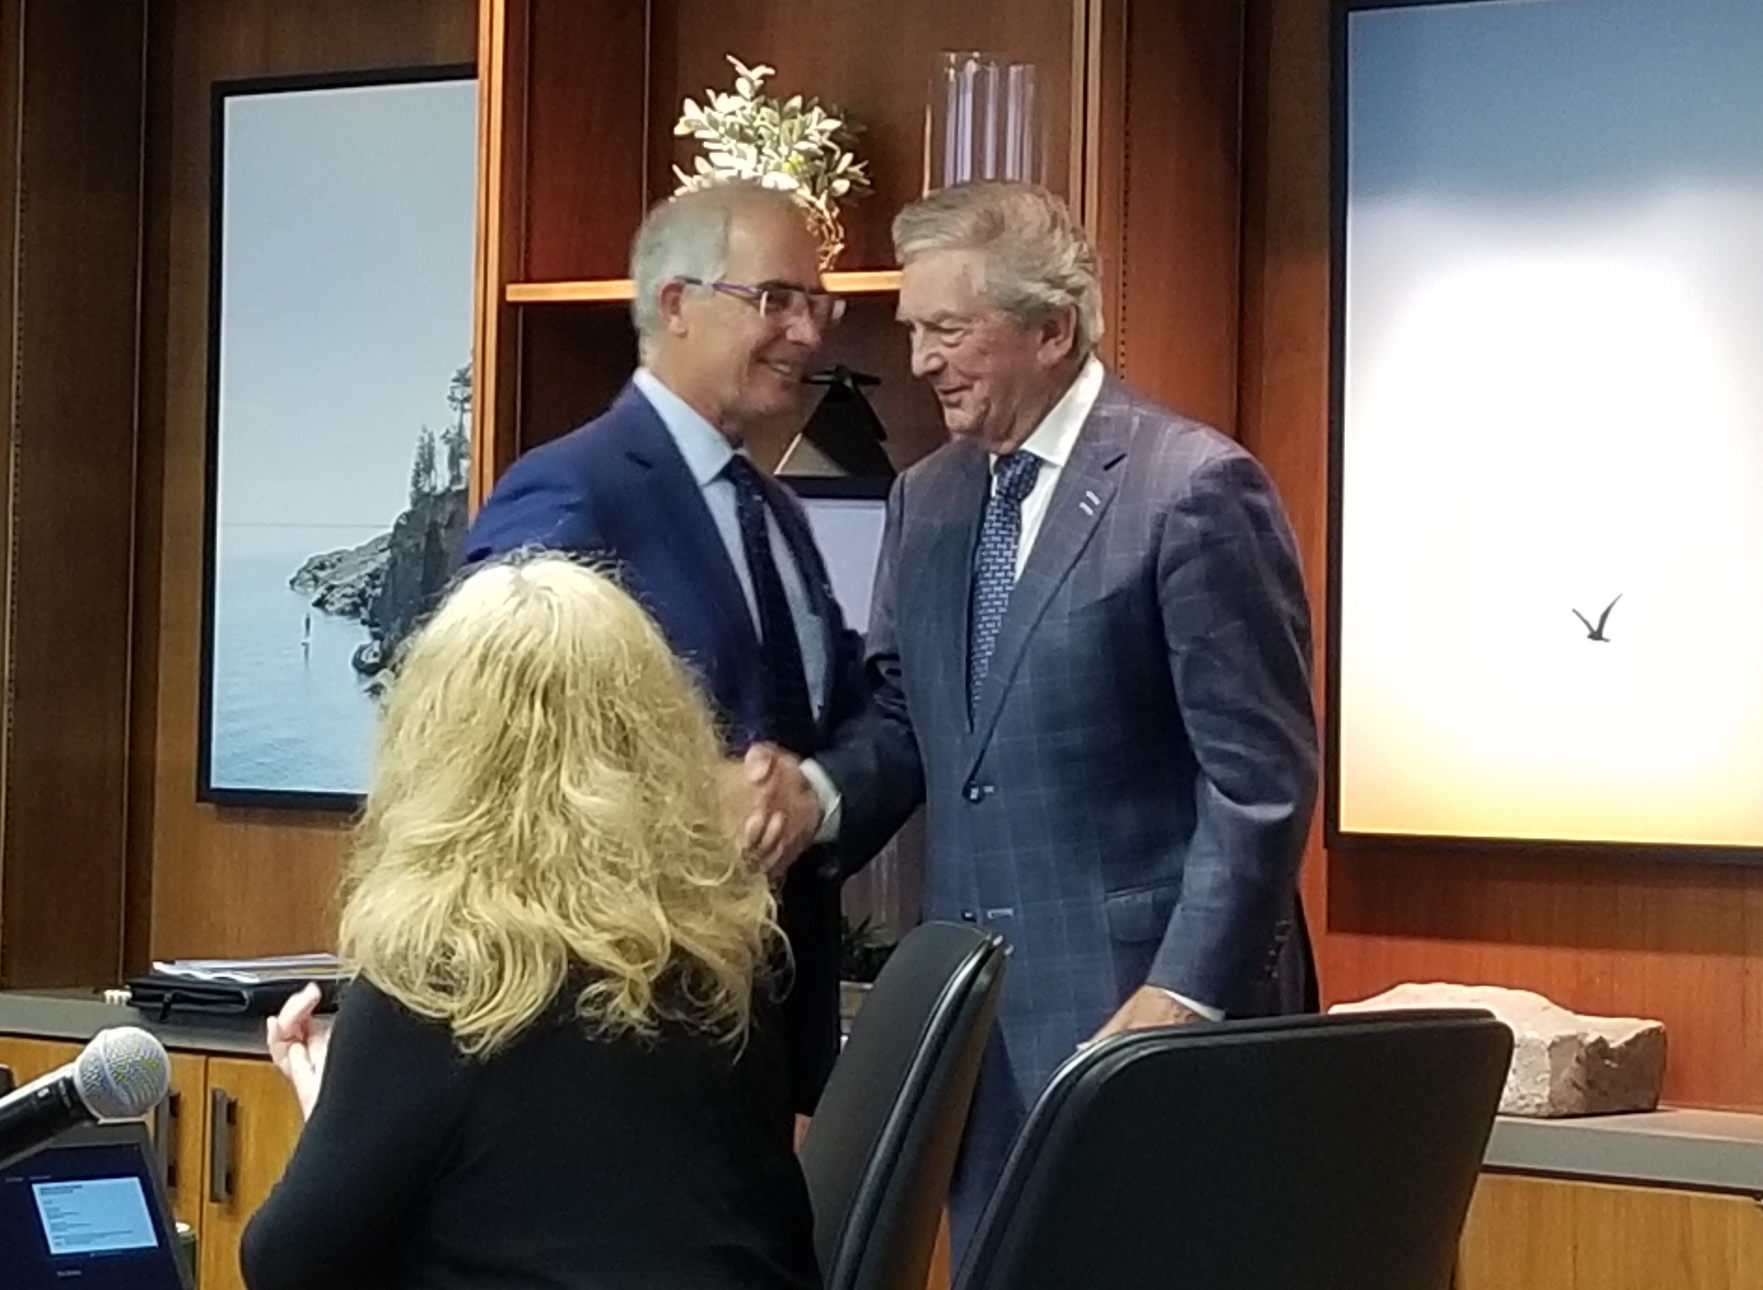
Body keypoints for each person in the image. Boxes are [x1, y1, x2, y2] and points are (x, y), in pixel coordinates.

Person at [760, 181, 1320, 1260]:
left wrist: (1180, 998)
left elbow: (1259, 782)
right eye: (913, 329)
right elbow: (908, 719)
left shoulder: (1193, 488)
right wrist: (813, 799)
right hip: (982, 1037)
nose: (919, 359)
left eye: (947, 329)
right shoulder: (925, 499)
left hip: (1147, 1028)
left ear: (1052, 327)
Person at [239, 556, 822, 1290]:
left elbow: (288, 1265)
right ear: (657, 735)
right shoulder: (724, 962)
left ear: (436, 745)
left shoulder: (437, 983)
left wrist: (333, 1113)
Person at [460, 182, 864, 1111]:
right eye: (776, 300)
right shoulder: (569, 489)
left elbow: (840, 714)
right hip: (624, 1042)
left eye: (818, 305)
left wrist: (815, 796)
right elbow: (493, 760)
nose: (807, 334)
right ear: (675, 304)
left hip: (768, 1052)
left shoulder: (776, 512)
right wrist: (691, 802)